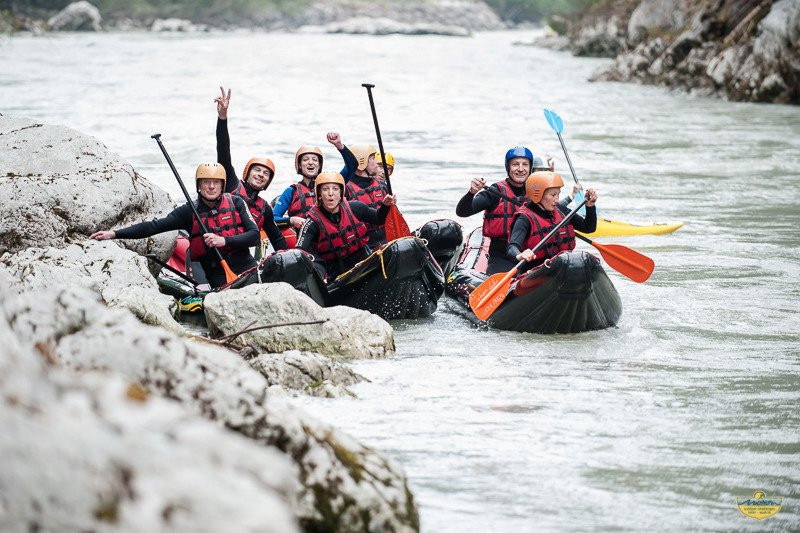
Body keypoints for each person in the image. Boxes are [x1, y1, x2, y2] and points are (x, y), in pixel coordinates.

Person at [89, 163, 259, 289]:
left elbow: (254, 236)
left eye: (216, 182)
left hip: (246, 264)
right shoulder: (188, 211)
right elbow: (153, 227)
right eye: (206, 182)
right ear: (199, 185)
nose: (211, 186)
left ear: (222, 185)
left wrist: (224, 241)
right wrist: (114, 234)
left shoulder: (236, 202)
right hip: (218, 273)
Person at [213, 86, 287, 252]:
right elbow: (223, 149)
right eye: (257, 170)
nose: (261, 175)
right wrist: (222, 117)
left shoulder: (264, 208)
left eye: (266, 174)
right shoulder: (231, 184)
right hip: (216, 251)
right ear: (247, 173)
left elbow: (276, 238)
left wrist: (293, 258)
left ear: (268, 182)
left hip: (241, 257)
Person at [295, 172, 396, 280]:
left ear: (341, 192)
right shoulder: (311, 223)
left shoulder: (356, 207)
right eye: (325, 189)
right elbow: (299, 250)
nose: (330, 193)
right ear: (319, 194)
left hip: (364, 263)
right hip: (336, 273)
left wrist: (386, 206)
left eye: (335, 189)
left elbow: (378, 219)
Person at [507, 170, 598, 274]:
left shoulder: (561, 210)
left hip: (563, 268)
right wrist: (520, 255)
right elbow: (511, 248)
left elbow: (588, 228)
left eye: (558, 194)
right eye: (553, 195)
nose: (557, 200)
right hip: (535, 273)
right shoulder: (524, 218)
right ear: (537, 195)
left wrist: (590, 207)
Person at [272, 133, 357, 231]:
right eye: (305, 160)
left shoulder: (332, 183)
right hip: (304, 237)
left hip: (329, 236)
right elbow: (273, 219)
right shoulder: (291, 191)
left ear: (319, 165)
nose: (310, 162)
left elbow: (352, 165)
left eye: (315, 160)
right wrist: (291, 220)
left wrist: (339, 145)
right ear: (299, 165)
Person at [341, 144, 389, 247]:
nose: (377, 162)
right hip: (364, 246)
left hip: (387, 241)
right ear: (361, 162)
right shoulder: (344, 190)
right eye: (373, 158)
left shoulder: (383, 186)